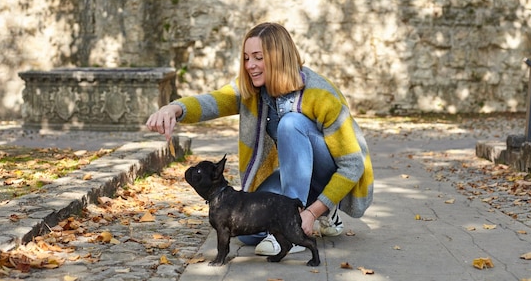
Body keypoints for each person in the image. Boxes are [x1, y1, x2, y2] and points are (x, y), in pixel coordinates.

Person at [146, 22, 374, 256]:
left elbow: (352, 164)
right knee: (246, 230)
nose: (250, 66)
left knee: (291, 124)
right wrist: (173, 109)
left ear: (279, 58)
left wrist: (312, 213)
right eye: (246, 58)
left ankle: (302, 223)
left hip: (330, 172)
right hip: (296, 172)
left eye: (257, 57)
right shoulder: (252, 90)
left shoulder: (320, 94)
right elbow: (212, 101)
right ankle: (323, 209)